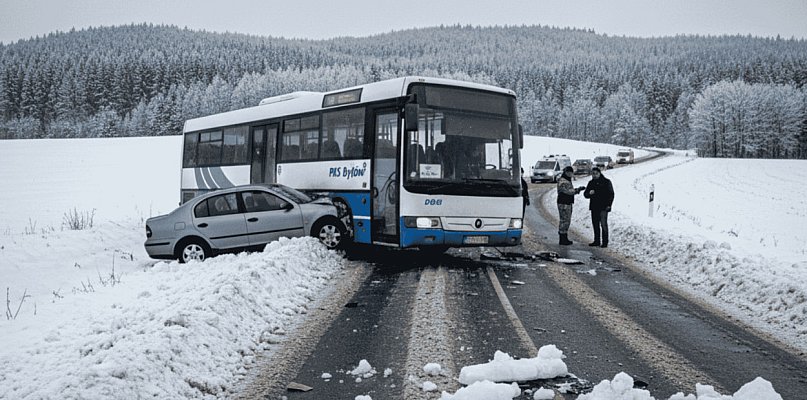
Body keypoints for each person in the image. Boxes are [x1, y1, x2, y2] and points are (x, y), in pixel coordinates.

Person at [583, 167, 614, 248]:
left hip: (603, 207)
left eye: (596, 173)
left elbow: (611, 194)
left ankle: (605, 242)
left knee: (603, 224)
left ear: (600, 173)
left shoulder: (606, 182)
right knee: (595, 224)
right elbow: (585, 194)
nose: (594, 175)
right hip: (594, 207)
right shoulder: (591, 183)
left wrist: (609, 205)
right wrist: (589, 193)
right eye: (593, 174)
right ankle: (597, 241)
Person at [556, 166, 585, 245]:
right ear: (565, 172)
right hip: (564, 203)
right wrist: (577, 190)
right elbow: (568, 192)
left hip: (566, 202)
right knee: (565, 220)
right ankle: (563, 238)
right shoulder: (563, 181)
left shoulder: (566, 180)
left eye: (571, 172)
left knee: (565, 220)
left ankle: (564, 237)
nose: (570, 174)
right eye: (568, 172)